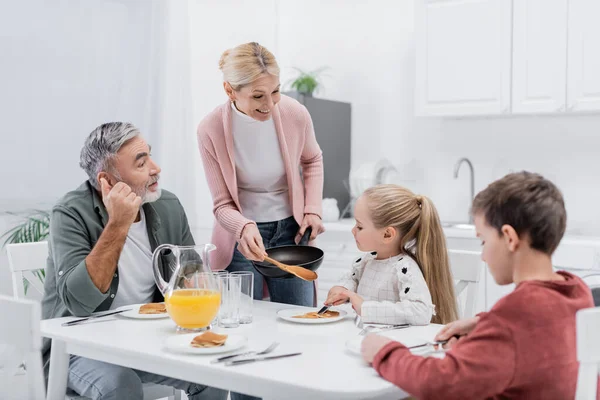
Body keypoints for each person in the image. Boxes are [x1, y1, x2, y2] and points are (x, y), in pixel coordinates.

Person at [361, 172, 596, 399]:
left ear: (510, 238)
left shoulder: (515, 315)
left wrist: (384, 352)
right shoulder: (575, 290)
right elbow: (539, 330)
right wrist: (485, 324)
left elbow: (438, 383)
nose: (483, 255)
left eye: (483, 240)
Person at [41, 122, 227, 400]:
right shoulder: (70, 213)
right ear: (109, 181)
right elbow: (79, 303)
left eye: (149, 156)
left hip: (145, 342)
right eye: (141, 163)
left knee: (213, 374)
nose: (155, 168)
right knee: (120, 384)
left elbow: (192, 279)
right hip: (74, 349)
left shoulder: (168, 205)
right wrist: (118, 223)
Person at [197, 42, 325, 307]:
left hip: (292, 234)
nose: (270, 104)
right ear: (229, 90)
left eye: (275, 91)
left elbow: (312, 160)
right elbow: (222, 204)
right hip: (241, 238)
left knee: (298, 320)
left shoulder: (294, 113)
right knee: (244, 323)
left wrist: (312, 209)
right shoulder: (210, 129)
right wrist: (243, 226)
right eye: (258, 96)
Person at [325, 184, 458, 325]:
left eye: (359, 227)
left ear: (387, 234)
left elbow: (420, 311)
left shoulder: (404, 269)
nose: (353, 230)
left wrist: (366, 308)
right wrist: (344, 290)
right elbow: (353, 279)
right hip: (365, 338)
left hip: (393, 342)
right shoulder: (366, 261)